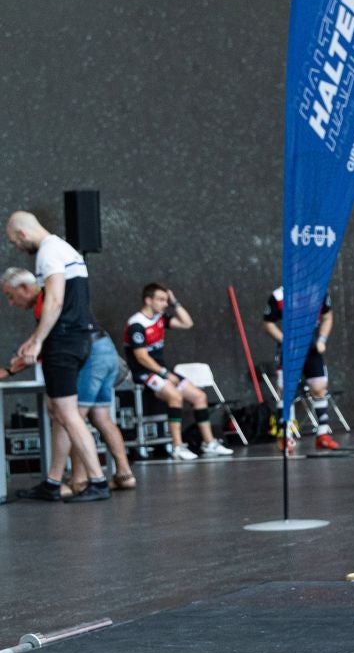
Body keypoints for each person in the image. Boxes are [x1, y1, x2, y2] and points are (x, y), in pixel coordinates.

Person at [3, 212, 111, 502]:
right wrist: (35, 339)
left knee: (67, 413)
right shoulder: (64, 248)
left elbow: (55, 299)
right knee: (58, 411)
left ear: (23, 234)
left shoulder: (48, 252)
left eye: (14, 241)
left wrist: (38, 340)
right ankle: (53, 481)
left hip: (64, 340)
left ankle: (97, 481)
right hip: (72, 338)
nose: (16, 246)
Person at [2, 267, 136, 495]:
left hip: (91, 353)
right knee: (101, 417)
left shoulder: (47, 300)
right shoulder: (51, 296)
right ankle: (125, 474)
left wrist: (9, 369)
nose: (11, 303)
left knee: (70, 418)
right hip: (106, 350)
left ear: (24, 287)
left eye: (10, 296)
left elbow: (48, 343)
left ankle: (79, 481)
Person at [123, 283, 233, 460]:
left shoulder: (160, 318)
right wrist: (166, 374)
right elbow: (142, 357)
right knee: (175, 397)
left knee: (199, 397)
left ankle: (209, 442)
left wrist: (175, 303)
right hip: (143, 373)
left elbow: (187, 323)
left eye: (166, 300)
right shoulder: (137, 324)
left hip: (161, 371)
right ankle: (177, 446)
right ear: (148, 300)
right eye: (161, 299)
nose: (164, 303)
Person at [262, 285, 340, 450]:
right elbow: (268, 323)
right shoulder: (279, 295)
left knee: (319, 388)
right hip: (289, 353)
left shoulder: (319, 292)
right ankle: (285, 437)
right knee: (286, 392)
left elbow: (328, 316)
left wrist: (322, 340)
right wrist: (285, 341)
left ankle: (323, 434)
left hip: (312, 350)